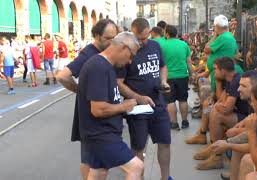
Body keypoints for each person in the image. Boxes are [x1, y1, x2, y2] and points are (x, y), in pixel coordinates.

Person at [56, 19, 118, 180]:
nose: (112, 42)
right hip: (91, 115)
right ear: (97, 36)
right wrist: (81, 91)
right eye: (108, 38)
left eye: (115, 38)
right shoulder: (89, 53)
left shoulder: (108, 51)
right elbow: (62, 76)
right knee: (90, 158)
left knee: (96, 158)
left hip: (104, 113)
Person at [78, 32, 143, 180]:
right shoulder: (98, 67)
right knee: (136, 167)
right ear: (122, 47)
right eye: (131, 55)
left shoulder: (105, 66)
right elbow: (98, 109)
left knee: (99, 172)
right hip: (101, 135)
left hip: (100, 134)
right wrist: (124, 106)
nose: (130, 61)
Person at [116, 18, 172, 180]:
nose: (143, 42)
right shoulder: (126, 51)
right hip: (137, 108)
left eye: (146, 37)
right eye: (139, 39)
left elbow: (162, 66)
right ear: (132, 34)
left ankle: (166, 177)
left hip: (158, 102)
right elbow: (118, 83)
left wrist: (163, 81)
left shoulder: (155, 45)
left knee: (165, 142)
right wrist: (138, 97)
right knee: (139, 146)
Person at [196, 57, 250, 170]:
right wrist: (218, 82)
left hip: (244, 116)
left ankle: (217, 157)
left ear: (223, 70)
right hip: (237, 114)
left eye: (215, 69)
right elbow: (221, 99)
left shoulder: (236, 80)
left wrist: (217, 105)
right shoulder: (230, 80)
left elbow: (227, 109)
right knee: (209, 106)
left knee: (216, 114)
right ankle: (204, 137)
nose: (213, 71)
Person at [162, 25, 193, 130]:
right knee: (183, 99)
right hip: (182, 76)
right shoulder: (184, 45)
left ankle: (174, 123)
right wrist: (191, 74)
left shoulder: (163, 45)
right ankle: (185, 121)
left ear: (167, 34)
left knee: (170, 101)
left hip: (168, 77)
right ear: (176, 34)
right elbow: (189, 62)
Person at [203, 15, 241, 92]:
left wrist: (214, 36)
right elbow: (237, 53)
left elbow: (206, 49)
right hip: (224, 69)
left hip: (219, 71)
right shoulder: (230, 36)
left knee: (217, 95)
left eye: (214, 27)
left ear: (216, 26)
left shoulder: (222, 37)